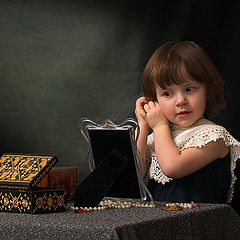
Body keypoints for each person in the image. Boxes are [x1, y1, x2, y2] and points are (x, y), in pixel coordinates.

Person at [135, 41, 240, 205]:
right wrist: (143, 126)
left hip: (198, 226)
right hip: (158, 225)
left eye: (189, 89)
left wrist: (159, 126)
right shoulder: (159, 137)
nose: (180, 101)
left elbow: (172, 167)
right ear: (154, 100)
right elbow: (135, 174)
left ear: (207, 90)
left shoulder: (214, 137)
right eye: (167, 93)